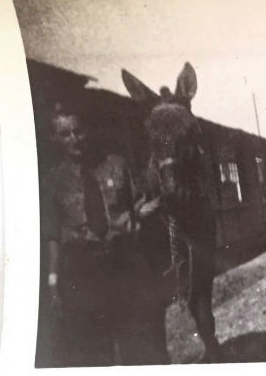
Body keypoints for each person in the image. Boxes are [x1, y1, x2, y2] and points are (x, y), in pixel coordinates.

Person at [41, 105, 168, 366]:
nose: (74, 139)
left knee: (139, 342)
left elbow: (137, 206)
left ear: (87, 130)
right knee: (95, 351)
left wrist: (155, 205)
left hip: (123, 262)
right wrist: (53, 282)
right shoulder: (53, 182)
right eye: (66, 135)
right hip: (82, 269)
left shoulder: (116, 165)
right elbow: (52, 234)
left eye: (78, 131)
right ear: (55, 139)